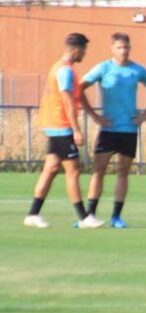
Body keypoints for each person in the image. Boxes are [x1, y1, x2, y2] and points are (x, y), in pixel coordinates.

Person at [24, 33, 105, 229]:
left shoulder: (60, 68)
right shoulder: (65, 71)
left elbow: (74, 98)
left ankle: (33, 214)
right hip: (61, 126)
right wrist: (76, 130)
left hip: (54, 125)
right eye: (84, 50)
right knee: (73, 171)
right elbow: (68, 102)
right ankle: (84, 217)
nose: (85, 54)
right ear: (76, 49)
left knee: (51, 169)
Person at [79, 32, 146, 228]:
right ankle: (89, 215)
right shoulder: (103, 68)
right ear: (112, 49)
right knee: (99, 171)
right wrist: (94, 115)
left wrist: (145, 115)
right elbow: (79, 88)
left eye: (126, 47)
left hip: (129, 130)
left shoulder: (137, 70)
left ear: (129, 48)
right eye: (119, 47)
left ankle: (116, 216)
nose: (123, 51)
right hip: (108, 130)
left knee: (123, 172)